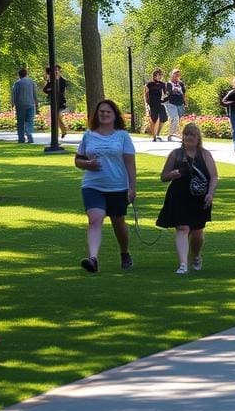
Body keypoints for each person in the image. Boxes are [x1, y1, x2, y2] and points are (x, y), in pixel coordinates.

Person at [74, 100, 137, 273]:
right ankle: (93, 258)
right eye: (101, 111)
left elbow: (130, 163)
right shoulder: (89, 135)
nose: (104, 114)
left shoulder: (122, 136)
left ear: (115, 115)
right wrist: (88, 164)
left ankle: (124, 252)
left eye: (108, 112)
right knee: (95, 219)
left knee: (119, 223)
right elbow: (78, 160)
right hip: (92, 186)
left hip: (117, 186)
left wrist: (132, 187)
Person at [156, 122, 218, 274]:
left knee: (197, 233)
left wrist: (210, 193)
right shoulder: (175, 154)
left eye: (193, 135)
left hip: (199, 197)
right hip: (179, 196)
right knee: (182, 228)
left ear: (198, 138)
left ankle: (196, 255)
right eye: (186, 134)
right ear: (182, 136)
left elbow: (214, 176)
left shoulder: (205, 155)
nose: (189, 137)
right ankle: (183, 264)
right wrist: (171, 175)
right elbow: (163, 176)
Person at [11, 67, 39, 144]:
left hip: (20, 105)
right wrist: (36, 102)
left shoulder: (17, 83)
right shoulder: (32, 82)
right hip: (30, 104)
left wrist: (13, 103)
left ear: (19, 75)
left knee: (20, 122)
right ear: (26, 74)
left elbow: (14, 94)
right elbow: (34, 93)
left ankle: (21, 139)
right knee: (29, 121)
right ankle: (29, 136)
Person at [43, 65, 69, 137]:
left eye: (58, 70)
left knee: (57, 116)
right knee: (56, 116)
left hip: (60, 101)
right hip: (54, 101)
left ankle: (63, 131)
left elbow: (60, 90)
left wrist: (51, 89)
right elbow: (45, 90)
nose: (56, 72)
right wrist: (51, 89)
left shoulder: (62, 81)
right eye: (55, 70)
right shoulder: (51, 80)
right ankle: (61, 131)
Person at [143, 68, 167, 142]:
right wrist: (146, 104)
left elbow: (165, 94)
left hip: (160, 103)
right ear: (154, 76)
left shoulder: (163, 84)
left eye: (160, 75)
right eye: (158, 75)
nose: (159, 76)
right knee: (155, 119)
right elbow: (145, 94)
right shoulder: (149, 84)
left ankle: (157, 134)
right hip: (152, 103)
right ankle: (154, 136)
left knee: (164, 118)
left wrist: (164, 100)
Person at [164, 69, 187, 141]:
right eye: (175, 74)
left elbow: (184, 94)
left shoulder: (181, 84)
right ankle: (173, 134)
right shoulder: (168, 84)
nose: (177, 76)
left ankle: (170, 135)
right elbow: (167, 93)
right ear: (172, 75)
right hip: (171, 103)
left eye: (178, 75)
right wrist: (172, 90)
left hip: (180, 103)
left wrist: (185, 103)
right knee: (175, 118)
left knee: (178, 119)